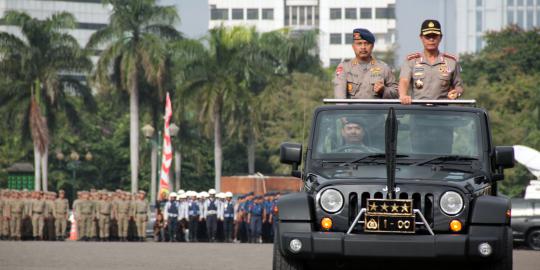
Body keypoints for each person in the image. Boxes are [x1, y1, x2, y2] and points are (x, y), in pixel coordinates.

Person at [398, 19, 464, 104]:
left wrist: (457, 93)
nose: (431, 39)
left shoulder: (451, 62)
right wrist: (403, 95)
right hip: (417, 111)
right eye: (428, 36)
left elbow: (459, 86)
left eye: (434, 36)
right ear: (421, 38)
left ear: (440, 37)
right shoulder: (412, 61)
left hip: (441, 112)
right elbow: (404, 81)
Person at [334, 28, 398, 99]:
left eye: (367, 44)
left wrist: (384, 90)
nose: (363, 47)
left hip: (376, 110)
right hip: (352, 110)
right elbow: (340, 98)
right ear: (353, 47)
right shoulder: (344, 68)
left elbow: (396, 94)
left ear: (372, 46)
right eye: (359, 44)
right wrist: (345, 110)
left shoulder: (383, 68)